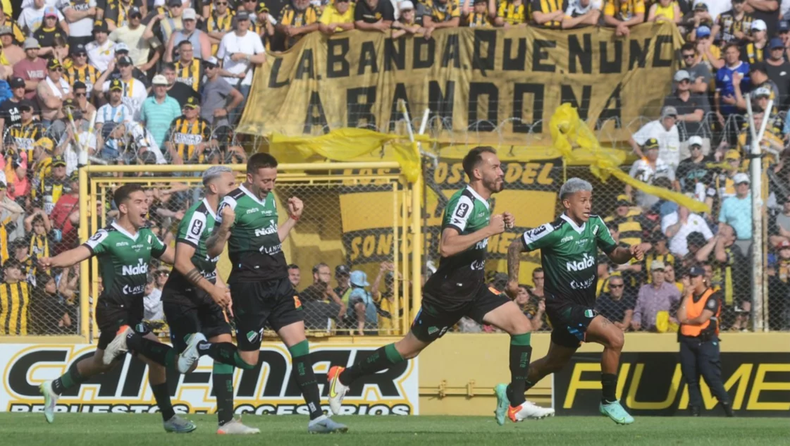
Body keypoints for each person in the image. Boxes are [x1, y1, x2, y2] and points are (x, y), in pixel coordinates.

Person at [327, 146, 554, 425]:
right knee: (408, 350)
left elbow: (474, 238)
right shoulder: (464, 201)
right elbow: (446, 246)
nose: (501, 171)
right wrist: (488, 230)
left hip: (474, 289)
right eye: (495, 167)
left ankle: (516, 402)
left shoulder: (483, 204)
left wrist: (496, 225)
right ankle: (343, 377)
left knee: (520, 326)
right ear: (477, 172)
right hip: (447, 294)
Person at [204, 153, 347, 434]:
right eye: (265, 180)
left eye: (274, 179)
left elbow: (272, 239)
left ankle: (317, 418)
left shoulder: (270, 198)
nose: (270, 185)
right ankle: (205, 349)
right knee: (248, 361)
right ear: (250, 177)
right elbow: (212, 249)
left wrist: (293, 219)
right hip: (249, 289)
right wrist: (224, 228)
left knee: (300, 347)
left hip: (279, 285)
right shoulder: (231, 203)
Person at [37, 184, 198, 433]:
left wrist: (200, 257)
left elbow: (176, 257)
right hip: (112, 311)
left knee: (103, 364)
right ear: (123, 207)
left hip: (134, 312)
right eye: (139, 201)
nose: (146, 205)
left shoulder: (147, 235)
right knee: (153, 353)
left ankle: (54, 387)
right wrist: (52, 261)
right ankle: (175, 383)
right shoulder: (108, 236)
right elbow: (79, 253)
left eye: (147, 201)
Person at [121, 166, 257, 434]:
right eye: (231, 184)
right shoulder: (197, 216)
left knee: (225, 347)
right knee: (186, 365)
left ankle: (226, 422)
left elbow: (207, 260)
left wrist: (220, 288)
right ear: (214, 188)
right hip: (182, 296)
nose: (237, 188)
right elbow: (182, 262)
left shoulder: (223, 215)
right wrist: (212, 288)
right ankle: (130, 341)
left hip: (205, 293)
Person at [506, 177, 644, 425]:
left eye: (590, 200)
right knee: (615, 338)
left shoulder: (595, 225)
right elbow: (515, 245)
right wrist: (513, 282)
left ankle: (510, 394)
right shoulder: (554, 230)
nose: (588, 205)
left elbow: (614, 253)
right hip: (562, 308)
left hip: (583, 307)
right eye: (583, 200)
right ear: (567, 203)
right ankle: (609, 401)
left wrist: (629, 254)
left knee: (554, 363)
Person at [677, 265, 734, 417]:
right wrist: (686, 296)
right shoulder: (687, 296)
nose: (692, 280)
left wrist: (687, 320)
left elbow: (703, 318)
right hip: (687, 341)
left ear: (703, 278)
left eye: (695, 277)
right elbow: (679, 316)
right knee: (691, 378)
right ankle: (695, 410)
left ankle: (727, 408)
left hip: (706, 341)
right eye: (690, 277)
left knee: (710, 376)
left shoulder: (712, 297)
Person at [0, 259, 31, 335]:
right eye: (12, 268)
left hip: (23, 332)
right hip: (3, 333)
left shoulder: (26, 287)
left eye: (18, 268)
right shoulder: (1, 289)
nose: (16, 270)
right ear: (5, 271)